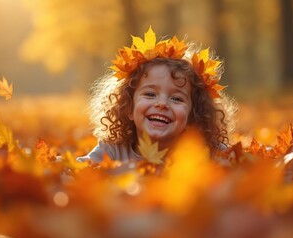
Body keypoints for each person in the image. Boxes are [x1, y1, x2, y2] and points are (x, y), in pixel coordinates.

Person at [77, 27, 237, 163]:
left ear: (193, 115)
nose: (162, 104)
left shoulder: (207, 152)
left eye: (176, 98)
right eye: (150, 94)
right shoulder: (114, 150)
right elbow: (77, 169)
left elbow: (245, 164)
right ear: (128, 107)